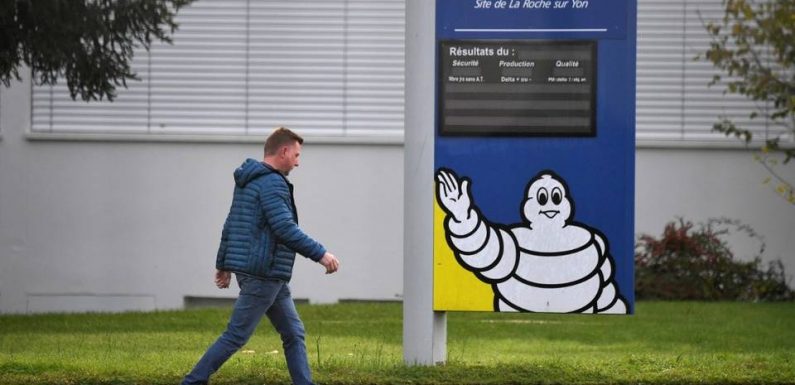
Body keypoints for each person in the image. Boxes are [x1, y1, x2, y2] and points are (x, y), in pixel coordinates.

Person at [182, 127, 340, 385]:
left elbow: (232, 223)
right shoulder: (272, 183)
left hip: (266, 273)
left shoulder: (250, 180)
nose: (298, 163)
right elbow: (285, 228)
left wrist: (223, 264)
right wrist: (321, 254)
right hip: (263, 273)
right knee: (236, 335)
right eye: (297, 155)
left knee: (293, 332)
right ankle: (192, 381)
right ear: (284, 151)